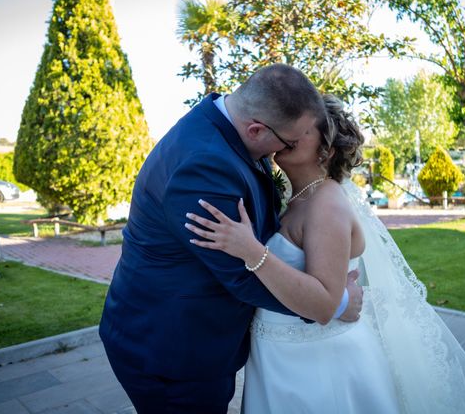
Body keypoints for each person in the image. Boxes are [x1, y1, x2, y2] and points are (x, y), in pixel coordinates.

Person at [186, 95, 465, 413]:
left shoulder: (327, 203)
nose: (289, 129)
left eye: (303, 128)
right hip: (282, 356)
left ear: (327, 149)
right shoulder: (298, 198)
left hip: (319, 364)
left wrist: (249, 249)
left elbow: (324, 300)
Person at [99, 64, 363, 414]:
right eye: (289, 141)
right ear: (256, 129)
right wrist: (336, 303)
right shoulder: (205, 164)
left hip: (202, 344)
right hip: (172, 353)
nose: (285, 150)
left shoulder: (232, 134)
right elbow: (241, 273)